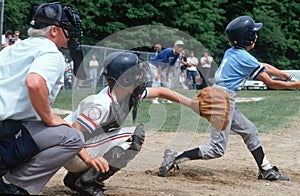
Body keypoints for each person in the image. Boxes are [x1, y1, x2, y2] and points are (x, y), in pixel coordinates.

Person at [158, 15, 300, 181]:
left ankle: (265, 169)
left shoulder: (233, 51)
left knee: (250, 131)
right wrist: (295, 85)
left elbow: (262, 66)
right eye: (254, 33)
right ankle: (175, 157)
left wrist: (285, 76)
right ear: (247, 38)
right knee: (217, 148)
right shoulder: (243, 56)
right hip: (221, 100)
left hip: (220, 96)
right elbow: (269, 82)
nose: (257, 36)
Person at [62, 51, 197, 195]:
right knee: (133, 136)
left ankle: (75, 178)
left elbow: (160, 91)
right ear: (125, 79)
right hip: (72, 152)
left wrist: (192, 104)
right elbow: (71, 135)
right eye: (136, 73)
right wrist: (86, 159)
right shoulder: (102, 104)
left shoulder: (124, 92)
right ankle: (86, 183)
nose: (140, 76)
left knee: (124, 135)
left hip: (77, 152)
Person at [0, 2, 86, 194]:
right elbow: (34, 82)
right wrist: (49, 117)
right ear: (54, 30)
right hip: (6, 133)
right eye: (67, 29)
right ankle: (13, 184)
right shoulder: (51, 53)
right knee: (72, 137)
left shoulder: (11, 49)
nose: (71, 34)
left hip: (6, 128)